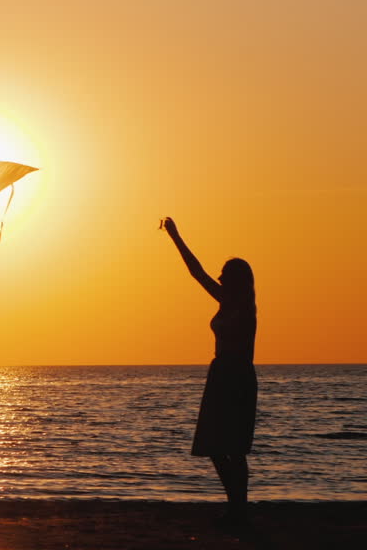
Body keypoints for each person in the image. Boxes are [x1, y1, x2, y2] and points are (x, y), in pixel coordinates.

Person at [162, 218, 257, 525]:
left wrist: (177, 236)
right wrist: (175, 238)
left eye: (224, 275)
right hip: (220, 374)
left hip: (236, 376)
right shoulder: (227, 301)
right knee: (215, 446)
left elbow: (197, 272)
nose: (218, 277)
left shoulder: (242, 303)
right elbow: (199, 273)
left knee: (234, 447)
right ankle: (236, 506)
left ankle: (239, 509)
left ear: (236, 280)